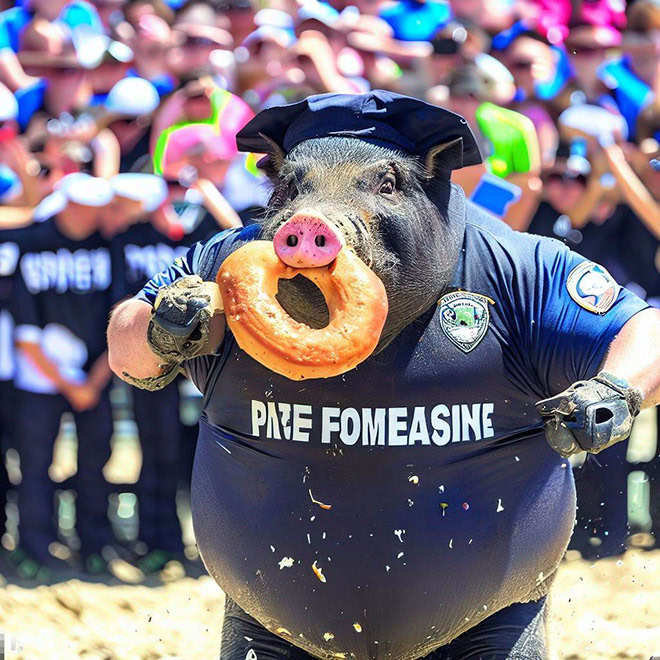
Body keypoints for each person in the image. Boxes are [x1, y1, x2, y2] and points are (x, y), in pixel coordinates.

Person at [107, 91, 660, 658]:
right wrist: (161, 328)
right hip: (272, 627)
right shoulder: (227, 267)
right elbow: (127, 354)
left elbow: (648, 332)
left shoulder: (516, 268)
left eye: (382, 185)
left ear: (430, 185)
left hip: (483, 624)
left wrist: (615, 391)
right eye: (297, 189)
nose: (317, 221)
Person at [10, 172, 117, 577]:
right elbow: (26, 331)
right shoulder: (33, 244)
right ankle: (35, 548)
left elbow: (121, 315)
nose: (96, 217)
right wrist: (70, 384)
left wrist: (91, 382)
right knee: (36, 465)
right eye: (89, 209)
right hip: (39, 379)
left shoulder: (108, 245)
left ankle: (94, 545)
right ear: (69, 205)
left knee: (96, 462)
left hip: (97, 376)